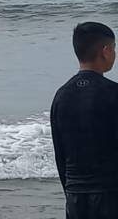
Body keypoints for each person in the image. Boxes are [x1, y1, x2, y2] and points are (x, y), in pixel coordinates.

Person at [51, 22, 118, 218]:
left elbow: (60, 154)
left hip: (75, 195)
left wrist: (70, 194)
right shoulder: (113, 93)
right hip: (110, 194)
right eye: (114, 49)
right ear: (105, 51)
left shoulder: (61, 96)